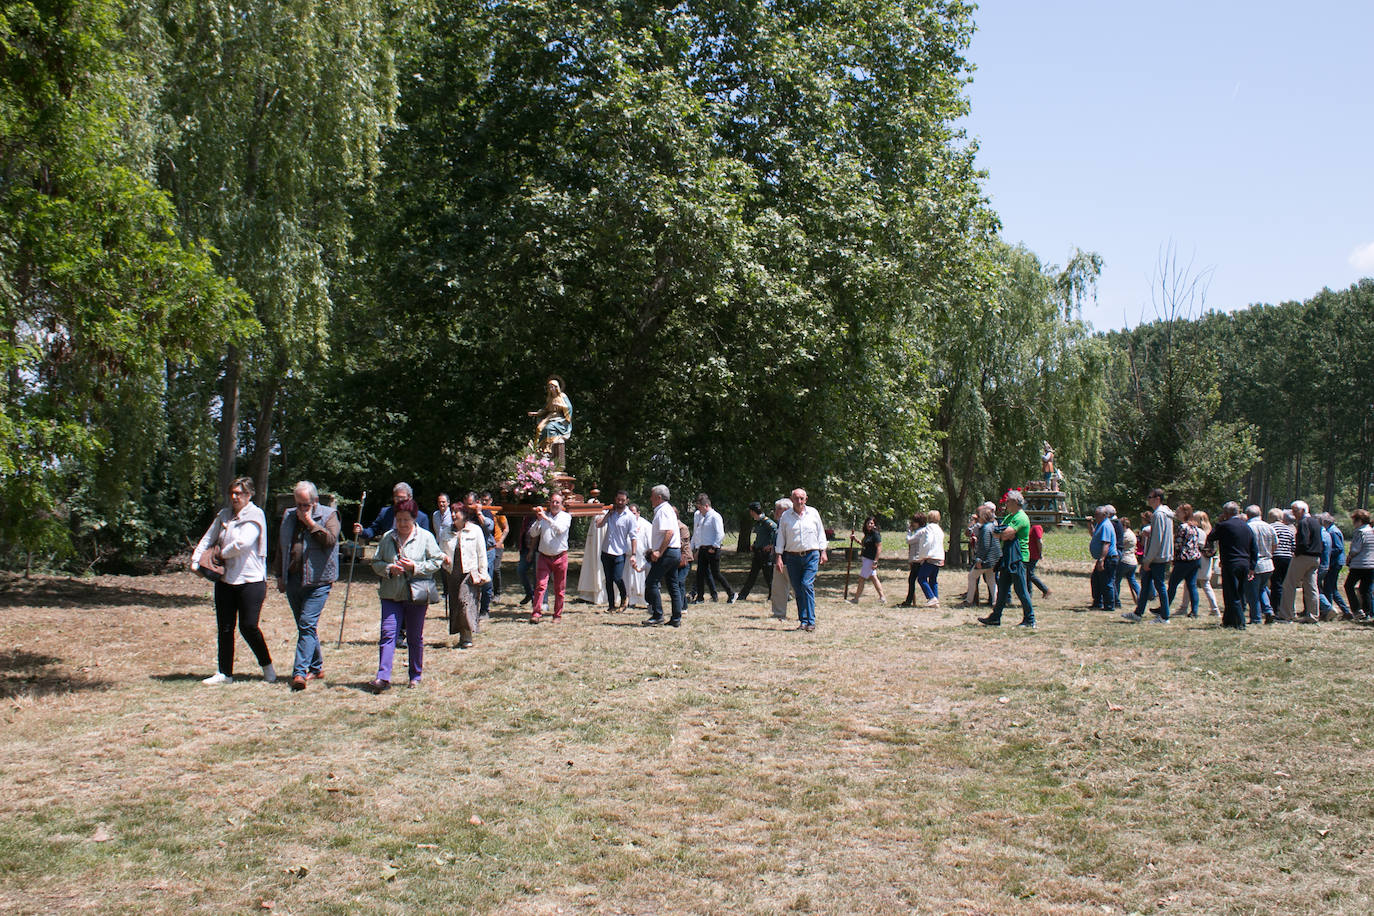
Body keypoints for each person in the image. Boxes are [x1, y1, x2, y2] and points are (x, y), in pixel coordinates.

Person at [193, 476, 274, 685]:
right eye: (232, 492)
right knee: (225, 627)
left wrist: (218, 556)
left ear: (249, 495)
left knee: (248, 626)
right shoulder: (224, 515)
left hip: (251, 581)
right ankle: (224, 673)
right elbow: (208, 537)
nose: (234, 496)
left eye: (239, 493)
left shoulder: (256, 515)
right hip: (226, 581)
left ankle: (267, 667)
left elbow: (241, 544)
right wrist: (196, 559)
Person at [368, 499, 442, 691]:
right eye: (399, 520)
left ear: (414, 519)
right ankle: (383, 677)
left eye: (406, 520)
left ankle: (415, 675)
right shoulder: (387, 538)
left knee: (414, 637)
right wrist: (388, 568)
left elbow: (436, 562)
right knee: (387, 634)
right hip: (391, 594)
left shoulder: (425, 537)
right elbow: (376, 562)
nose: (402, 524)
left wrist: (415, 567)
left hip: (415, 595)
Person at [276, 480, 340, 690]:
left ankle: (299, 673)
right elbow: (282, 547)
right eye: (298, 504)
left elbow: (330, 540)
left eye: (305, 504)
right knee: (306, 627)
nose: (301, 509)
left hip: (318, 580)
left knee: (306, 624)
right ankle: (316, 666)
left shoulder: (329, 515)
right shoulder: (289, 516)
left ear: (314, 501)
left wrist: (311, 523)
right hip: (294, 579)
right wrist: (279, 575)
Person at [977, 490, 1035, 628]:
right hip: (1007, 557)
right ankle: (995, 618)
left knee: (1021, 590)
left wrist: (1002, 533)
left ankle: (1030, 619)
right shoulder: (1010, 516)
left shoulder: (1021, 517)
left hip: (1018, 558)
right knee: (1002, 589)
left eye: (1008, 501)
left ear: (1015, 502)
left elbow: (1004, 533)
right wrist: (1002, 533)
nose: (1005, 504)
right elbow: (998, 533)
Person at [774, 488, 828, 632]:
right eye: (796, 498)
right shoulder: (786, 516)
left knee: (806, 584)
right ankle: (803, 621)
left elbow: (821, 533)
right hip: (792, 557)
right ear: (791, 500)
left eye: (801, 498)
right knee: (798, 589)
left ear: (806, 499)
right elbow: (781, 538)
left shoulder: (813, 513)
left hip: (811, 555)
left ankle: (811, 621)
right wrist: (778, 556)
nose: (799, 501)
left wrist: (823, 551)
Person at [1123, 488, 1174, 623]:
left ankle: (1164, 616)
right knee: (1145, 584)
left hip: (1157, 557)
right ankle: (1138, 613)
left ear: (1157, 498)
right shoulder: (1165, 514)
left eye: (1150, 497)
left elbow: (1157, 539)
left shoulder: (1158, 515)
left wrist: (1148, 559)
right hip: (1161, 555)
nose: (1148, 499)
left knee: (1160, 586)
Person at [444, 504, 489, 649]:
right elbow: (440, 551)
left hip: (469, 572)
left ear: (464, 514)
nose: (452, 514)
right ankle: (462, 635)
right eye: (452, 512)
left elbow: (481, 553)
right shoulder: (446, 532)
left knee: (466, 603)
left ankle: (467, 636)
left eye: (456, 512)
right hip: (452, 573)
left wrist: (483, 573)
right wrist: (444, 561)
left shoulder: (475, 530)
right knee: (456, 604)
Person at [1206, 501, 1256, 630]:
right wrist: (1252, 566)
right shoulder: (1246, 527)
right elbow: (1253, 548)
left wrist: (1219, 522)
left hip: (1231, 562)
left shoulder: (1224, 525)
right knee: (1240, 593)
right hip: (1244, 563)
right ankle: (1228, 620)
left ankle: (1240, 622)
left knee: (1231, 593)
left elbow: (1211, 537)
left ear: (1225, 513)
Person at [642, 485, 685, 627]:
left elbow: (669, 532)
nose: (650, 499)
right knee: (673, 584)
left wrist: (659, 551)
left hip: (667, 552)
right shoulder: (667, 510)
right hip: (674, 552)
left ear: (659, 498)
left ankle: (657, 615)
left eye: (652, 496)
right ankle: (676, 618)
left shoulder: (663, 511)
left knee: (651, 582)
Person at [529, 491, 572, 622]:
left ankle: (557, 615)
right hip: (544, 556)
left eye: (557, 502)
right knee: (540, 586)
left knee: (559, 588)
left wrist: (547, 519)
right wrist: (538, 520)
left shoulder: (566, 517)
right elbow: (532, 533)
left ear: (562, 504)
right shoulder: (543, 517)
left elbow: (560, 529)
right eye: (552, 502)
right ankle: (536, 613)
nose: (554, 504)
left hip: (560, 556)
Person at [1279, 500, 1322, 623]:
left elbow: (1303, 541)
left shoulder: (1303, 522)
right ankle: (1313, 615)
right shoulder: (1316, 522)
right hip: (1315, 558)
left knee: (1289, 584)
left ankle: (1286, 615)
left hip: (1303, 556)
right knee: (1311, 587)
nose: (1293, 514)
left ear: (1303, 510)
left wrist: (1296, 553)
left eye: (1295, 511)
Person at [595, 490, 636, 612]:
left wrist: (633, 554)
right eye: (618, 499)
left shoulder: (630, 517)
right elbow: (599, 525)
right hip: (606, 550)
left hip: (619, 552)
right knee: (608, 579)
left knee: (617, 577)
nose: (620, 502)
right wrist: (608, 514)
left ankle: (624, 597)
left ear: (627, 501)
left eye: (623, 500)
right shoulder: (610, 513)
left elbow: (634, 537)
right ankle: (611, 605)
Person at [692, 494, 736, 603]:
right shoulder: (702, 518)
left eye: (700, 507)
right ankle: (700, 597)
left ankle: (731, 593)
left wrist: (714, 546)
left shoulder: (715, 516)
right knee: (700, 574)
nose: (699, 510)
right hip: (703, 548)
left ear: (706, 505)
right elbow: (699, 534)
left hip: (712, 549)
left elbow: (720, 533)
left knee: (716, 573)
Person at [356, 482, 430, 541]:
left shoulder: (421, 517)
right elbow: (373, 530)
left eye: (402, 497)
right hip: (389, 552)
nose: (399, 500)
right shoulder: (385, 513)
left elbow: (425, 541)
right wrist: (362, 531)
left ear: (410, 498)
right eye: (396, 497)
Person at [463, 492, 497, 619]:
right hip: (471, 553)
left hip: (487, 551)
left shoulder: (486, 512)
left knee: (486, 582)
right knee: (471, 582)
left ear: (476, 503)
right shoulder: (464, 515)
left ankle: (484, 610)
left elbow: (489, 527)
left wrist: (479, 513)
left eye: (470, 504)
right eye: (466, 504)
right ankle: (472, 609)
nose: (468, 507)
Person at [1164, 503, 1202, 619]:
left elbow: (1178, 544)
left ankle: (1164, 608)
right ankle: (1194, 611)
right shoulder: (1194, 527)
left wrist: (1172, 557)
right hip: (1195, 559)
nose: (1176, 513)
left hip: (1184, 559)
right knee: (1191, 585)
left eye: (1178, 511)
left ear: (1185, 513)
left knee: (1173, 584)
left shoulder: (1183, 527)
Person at [737, 501, 778, 602]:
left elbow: (776, 531)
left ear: (752, 511)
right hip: (758, 552)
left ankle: (777, 595)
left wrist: (772, 545)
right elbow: (761, 536)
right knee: (752, 575)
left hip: (765, 553)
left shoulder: (767, 522)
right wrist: (755, 544)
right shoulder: (759, 522)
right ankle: (742, 595)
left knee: (769, 576)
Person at [528, 376, 573, 465]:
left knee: (549, 428)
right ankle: (539, 450)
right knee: (539, 428)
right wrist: (536, 414)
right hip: (549, 417)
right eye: (549, 387)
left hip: (560, 419)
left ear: (557, 387)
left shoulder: (562, 396)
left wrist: (561, 406)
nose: (551, 389)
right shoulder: (549, 398)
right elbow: (546, 410)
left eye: (552, 387)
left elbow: (569, 408)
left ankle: (548, 449)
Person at [962, 503, 1000, 607]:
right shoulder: (993, 526)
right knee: (991, 580)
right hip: (994, 559)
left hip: (986, 559)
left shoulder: (985, 529)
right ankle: (995, 601)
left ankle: (969, 600)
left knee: (972, 576)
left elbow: (985, 546)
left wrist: (979, 560)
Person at [1244, 505, 1276, 625]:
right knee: (1262, 589)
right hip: (1268, 563)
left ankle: (1256, 618)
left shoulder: (1248, 527)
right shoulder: (1269, 526)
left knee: (1252, 593)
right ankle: (1268, 610)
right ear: (1260, 514)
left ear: (1247, 515)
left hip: (1255, 564)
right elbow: (1275, 545)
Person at [1319, 512, 1353, 619]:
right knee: (1333, 589)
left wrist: (1325, 552)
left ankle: (1328, 612)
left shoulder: (1333, 532)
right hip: (1335, 563)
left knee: (1328, 588)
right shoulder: (1332, 530)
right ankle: (1346, 612)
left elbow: (1338, 548)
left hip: (1335, 563)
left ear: (1325, 522)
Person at [1343, 509, 1374, 619]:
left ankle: (1356, 610)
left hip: (1359, 564)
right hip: (1371, 565)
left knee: (1348, 586)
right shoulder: (1371, 531)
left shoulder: (1360, 532)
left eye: (1354, 521)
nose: (1353, 523)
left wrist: (1349, 557)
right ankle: (1368, 613)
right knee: (1365, 590)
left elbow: (1356, 549)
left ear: (1360, 521)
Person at [1190, 510, 1221, 617]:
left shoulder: (1198, 532)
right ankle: (1214, 608)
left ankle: (1184, 607)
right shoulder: (1210, 531)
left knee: (1191, 582)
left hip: (1199, 559)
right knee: (1204, 584)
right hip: (1207, 560)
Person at [848, 516, 886, 603]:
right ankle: (882, 597)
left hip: (870, 560)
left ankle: (856, 599)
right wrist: (855, 539)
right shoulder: (868, 534)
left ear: (875, 524)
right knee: (874, 578)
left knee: (861, 578)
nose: (869, 525)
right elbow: (865, 545)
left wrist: (875, 561)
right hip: (865, 558)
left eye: (871, 523)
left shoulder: (875, 534)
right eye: (868, 523)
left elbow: (879, 548)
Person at [1088, 506, 1118, 612]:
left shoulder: (1106, 525)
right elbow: (1093, 534)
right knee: (1096, 580)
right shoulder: (1100, 524)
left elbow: (1106, 544)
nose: (1095, 517)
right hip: (1103, 558)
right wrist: (1090, 524)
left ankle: (1109, 605)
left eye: (1097, 515)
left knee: (1107, 582)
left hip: (1108, 558)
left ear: (1104, 515)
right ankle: (1097, 602)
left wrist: (1101, 560)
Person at [914, 510, 945, 607]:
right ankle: (936, 599)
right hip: (939, 556)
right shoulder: (939, 529)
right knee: (933, 579)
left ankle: (931, 597)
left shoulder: (929, 528)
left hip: (931, 556)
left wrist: (922, 556)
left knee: (921, 578)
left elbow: (927, 542)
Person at [1267, 508, 1295, 616]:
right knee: (1284, 583)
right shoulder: (1288, 529)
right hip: (1287, 558)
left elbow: (1270, 543)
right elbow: (1293, 546)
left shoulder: (1271, 527)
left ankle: (1276, 608)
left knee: (1275, 584)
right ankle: (1286, 607)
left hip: (1276, 557)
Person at [769, 498, 793, 620]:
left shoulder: (791, 523)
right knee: (778, 588)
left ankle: (806, 612)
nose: (776, 511)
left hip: (790, 560)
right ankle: (779, 613)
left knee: (799, 587)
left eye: (779, 509)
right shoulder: (778, 524)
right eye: (776, 508)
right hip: (778, 560)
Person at [626, 504, 651, 609]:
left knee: (641, 581)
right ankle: (629, 600)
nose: (632, 515)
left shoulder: (646, 525)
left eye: (634, 513)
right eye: (630, 512)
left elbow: (650, 541)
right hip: (627, 558)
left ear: (638, 513)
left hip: (641, 558)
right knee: (628, 580)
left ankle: (645, 600)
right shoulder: (626, 523)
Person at [898, 512, 926, 607]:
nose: (912, 524)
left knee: (915, 580)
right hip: (915, 559)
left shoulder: (920, 532)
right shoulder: (919, 531)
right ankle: (910, 600)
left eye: (914, 522)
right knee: (913, 580)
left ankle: (909, 601)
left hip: (918, 560)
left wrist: (909, 531)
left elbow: (909, 540)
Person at [483, 493, 508, 597]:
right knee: (486, 568)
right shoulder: (481, 512)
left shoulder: (497, 512)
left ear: (491, 500)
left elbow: (506, 529)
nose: (484, 502)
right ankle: (489, 592)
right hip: (486, 545)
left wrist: (500, 542)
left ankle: (497, 592)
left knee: (495, 569)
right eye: (483, 500)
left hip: (497, 544)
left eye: (486, 500)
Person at [1115, 518, 1140, 608]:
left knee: (1116, 580)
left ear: (1124, 526)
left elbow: (1117, 543)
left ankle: (1115, 599)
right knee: (1132, 580)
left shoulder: (1126, 535)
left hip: (1125, 560)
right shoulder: (1131, 533)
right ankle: (1140, 597)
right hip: (1133, 561)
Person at [1026, 521, 1051, 598]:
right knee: (1027, 574)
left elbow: (1039, 541)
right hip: (1028, 554)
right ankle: (1029, 594)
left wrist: (1040, 553)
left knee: (1030, 574)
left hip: (1033, 554)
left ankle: (1045, 590)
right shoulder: (1031, 526)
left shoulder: (1036, 527)